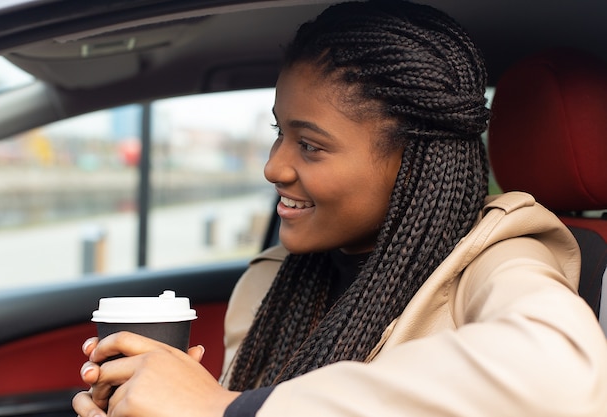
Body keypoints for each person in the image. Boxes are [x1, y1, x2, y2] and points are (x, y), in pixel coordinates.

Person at [72, 1, 607, 416]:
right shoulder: (270, 282)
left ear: (411, 161)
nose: (273, 167)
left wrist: (225, 407)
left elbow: (564, 378)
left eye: (310, 145)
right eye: (280, 132)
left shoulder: (500, 259)